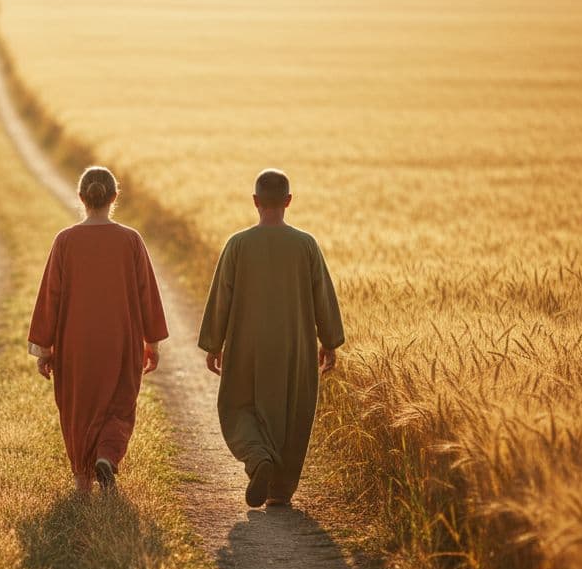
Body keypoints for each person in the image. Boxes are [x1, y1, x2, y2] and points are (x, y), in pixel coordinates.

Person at [198, 169, 345, 508]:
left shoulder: (238, 244)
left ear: (255, 202)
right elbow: (322, 294)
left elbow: (222, 296)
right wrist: (330, 342)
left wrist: (213, 344)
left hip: (245, 345)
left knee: (237, 405)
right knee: (293, 411)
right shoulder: (306, 244)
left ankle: (257, 457)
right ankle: (280, 490)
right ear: (289, 201)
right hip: (296, 345)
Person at [28, 166, 169, 492]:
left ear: (81, 198)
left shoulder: (65, 241)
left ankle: (81, 480)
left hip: (75, 343)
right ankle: (107, 455)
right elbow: (147, 292)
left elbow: (52, 295)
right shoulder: (131, 240)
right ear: (114, 197)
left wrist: (45, 349)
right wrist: (153, 342)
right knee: (119, 404)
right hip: (121, 341)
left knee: (78, 408)